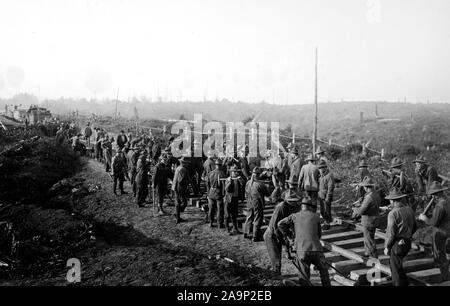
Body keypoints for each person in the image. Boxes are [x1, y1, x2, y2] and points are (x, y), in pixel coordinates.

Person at [277, 197, 331, 286]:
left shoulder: (294, 216)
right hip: (317, 249)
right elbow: (319, 235)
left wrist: (290, 235)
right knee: (324, 273)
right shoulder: (316, 216)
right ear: (311, 207)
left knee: (304, 276)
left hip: (302, 250)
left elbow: (280, 224)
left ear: (302, 206)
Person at [263, 190, 302, 274]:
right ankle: (277, 277)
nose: (294, 203)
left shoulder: (293, 208)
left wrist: (289, 245)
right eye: (292, 201)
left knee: (282, 255)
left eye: (295, 201)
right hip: (272, 235)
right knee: (276, 260)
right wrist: (283, 240)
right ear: (287, 200)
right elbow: (275, 226)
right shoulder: (281, 207)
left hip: (281, 232)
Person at [384, 188, 417, 286]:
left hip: (397, 244)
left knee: (395, 269)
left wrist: (387, 247)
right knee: (399, 265)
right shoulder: (409, 209)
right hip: (407, 242)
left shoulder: (393, 213)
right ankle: (405, 283)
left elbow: (391, 234)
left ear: (392, 200)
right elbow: (415, 226)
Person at [418, 181, 450, 282]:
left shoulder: (439, 205)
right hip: (447, 229)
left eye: (433, 194)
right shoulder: (447, 200)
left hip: (441, 232)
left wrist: (424, 219)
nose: (432, 196)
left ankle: (445, 277)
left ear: (436, 195)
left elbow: (434, 222)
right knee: (442, 252)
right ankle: (443, 272)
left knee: (440, 254)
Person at [352, 177, 380, 258]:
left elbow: (362, 211)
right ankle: (368, 253)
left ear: (366, 187)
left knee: (369, 240)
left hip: (368, 221)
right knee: (369, 238)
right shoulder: (376, 194)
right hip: (374, 219)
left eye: (364, 187)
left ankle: (373, 257)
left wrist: (355, 209)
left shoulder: (369, 197)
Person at [244, 167, 274, 242]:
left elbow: (246, 194)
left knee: (249, 217)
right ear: (258, 175)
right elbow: (268, 194)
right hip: (258, 203)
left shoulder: (248, 183)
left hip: (249, 202)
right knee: (257, 219)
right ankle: (255, 236)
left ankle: (246, 233)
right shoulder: (260, 184)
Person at [224, 165, 245, 235]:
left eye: (237, 172)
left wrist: (241, 182)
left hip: (235, 199)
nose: (236, 173)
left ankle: (235, 229)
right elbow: (226, 189)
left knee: (234, 215)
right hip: (229, 199)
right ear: (231, 173)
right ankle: (227, 229)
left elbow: (242, 188)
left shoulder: (238, 179)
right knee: (227, 215)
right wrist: (230, 182)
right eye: (234, 172)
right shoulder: (228, 179)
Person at [206, 159, 227, 228]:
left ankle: (211, 222)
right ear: (220, 165)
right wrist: (224, 194)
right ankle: (219, 223)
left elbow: (207, 184)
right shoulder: (222, 174)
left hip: (211, 193)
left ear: (215, 165)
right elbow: (224, 186)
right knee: (219, 209)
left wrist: (208, 193)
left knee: (211, 209)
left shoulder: (210, 173)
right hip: (218, 193)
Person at [172, 156, 192, 223]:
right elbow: (181, 181)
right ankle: (177, 216)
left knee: (178, 202)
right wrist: (188, 182)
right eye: (187, 163)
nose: (188, 164)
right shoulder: (183, 169)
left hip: (175, 186)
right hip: (179, 188)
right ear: (183, 163)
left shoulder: (178, 168)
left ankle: (177, 216)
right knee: (183, 202)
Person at [317, 159, 335, 229]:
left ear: (325, 167)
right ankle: (327, 221)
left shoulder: (329, 175)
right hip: (321, 196)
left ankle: (327, 224)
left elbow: (331, 188)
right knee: (322, 211)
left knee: (326, 211)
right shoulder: (321, 176)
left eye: (322, 167)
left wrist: (328, 197)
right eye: (320, 168)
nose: (321, 169)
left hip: (326, 197)